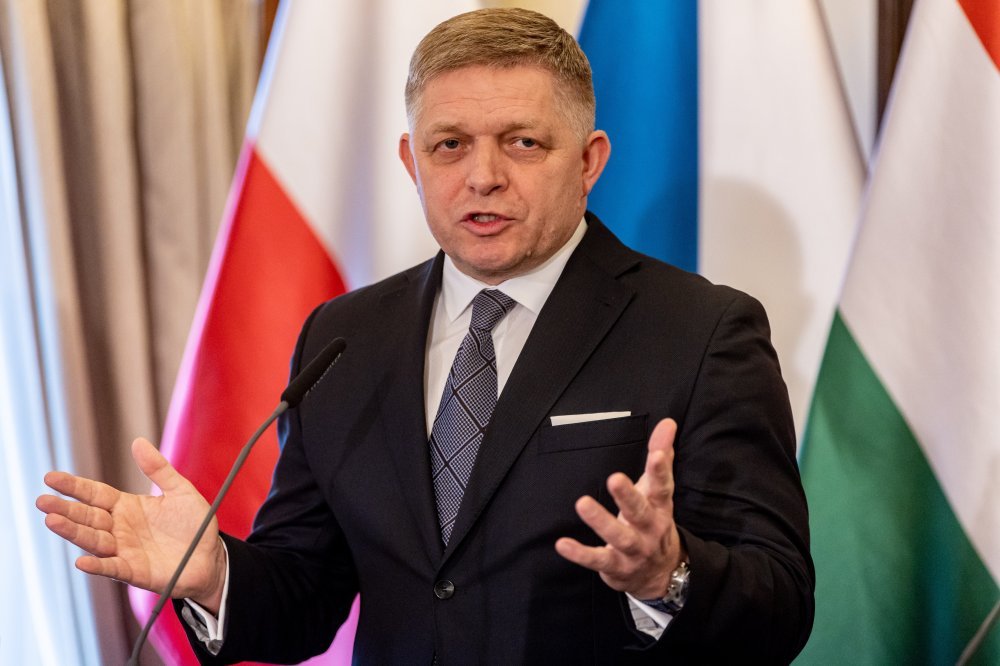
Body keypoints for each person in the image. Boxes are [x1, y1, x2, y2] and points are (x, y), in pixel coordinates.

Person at [37, 8, 814, 664]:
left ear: (588, 162)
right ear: (412, 162)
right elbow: (306, 594)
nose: (482, 176)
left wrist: (668, 576)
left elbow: (781, 604)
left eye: (522, 142)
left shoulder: (701, 331)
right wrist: (214, 575)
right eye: (450, 145)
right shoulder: (345, 337)